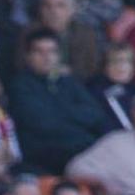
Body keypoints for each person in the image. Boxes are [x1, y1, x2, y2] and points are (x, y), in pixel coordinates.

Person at [8, 28, 105, 175]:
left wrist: (59, 111)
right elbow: (43, 123)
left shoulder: (68, 82)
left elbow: (95, 115)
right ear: (28, 56)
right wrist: (73, 113)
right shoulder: (20, 85)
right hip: (44, 159)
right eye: (39, 52)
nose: (46, 57)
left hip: (82, 151)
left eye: (52, 51)